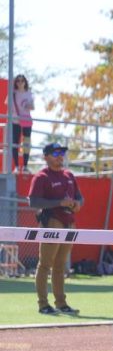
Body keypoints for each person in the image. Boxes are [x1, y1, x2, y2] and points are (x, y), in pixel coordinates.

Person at [27, 143, 83, 315]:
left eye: (62, 152)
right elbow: (33, 202)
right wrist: (59, 203)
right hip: (52, 222)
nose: (60, 155)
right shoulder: (42, 176)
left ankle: (61, 303)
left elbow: (80, 198)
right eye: (56, 152)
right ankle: (43, 305)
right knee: (45, 265)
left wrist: (77, 204)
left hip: (69, 222)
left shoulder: (69, 175)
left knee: (60, 265)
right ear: (46, 156)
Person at [8, 74, 35, 173]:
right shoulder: (12, 93)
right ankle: (16, 166)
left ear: (25, 82)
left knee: (26, 143)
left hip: (27, 121)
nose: (20, 82)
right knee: (15, 143)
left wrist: (28, 105)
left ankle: (25, 166)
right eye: (18, 81)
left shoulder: (29, 93)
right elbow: (8, 106)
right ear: (15, 83)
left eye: (22, 80)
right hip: (15, 121)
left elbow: (33, 107)